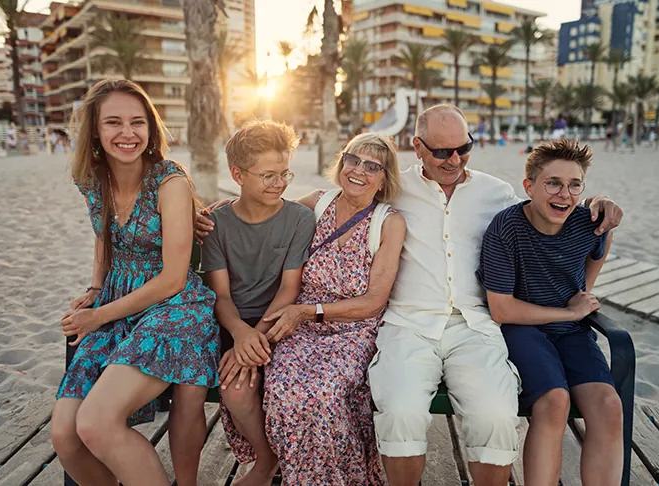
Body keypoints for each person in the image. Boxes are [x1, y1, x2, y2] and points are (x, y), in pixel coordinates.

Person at [367, 104, 623, 486]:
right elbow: (336, 201)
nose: (455, 159)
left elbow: (544, 215)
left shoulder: (496, 193)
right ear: (417, 147)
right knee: (401, 412)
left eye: (463, 148)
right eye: (442, 152)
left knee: (496, 417)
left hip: (476, 324)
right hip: (409, 323)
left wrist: (594, 205)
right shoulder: (392, 189)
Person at [50, 78, 221, 486]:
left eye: (137, 122)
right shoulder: (93, 181)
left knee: (94, 423)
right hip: (115, 305)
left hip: (173, 310)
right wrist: (95, 290)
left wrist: (97, 316)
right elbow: (103, 237)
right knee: (65, 434)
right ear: (94, 129)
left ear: (151, 129)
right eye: (113, 122)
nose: (127, 133)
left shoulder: (169, 181)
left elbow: (174, 279)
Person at [258, 133, 406, 484]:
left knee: (326, 395)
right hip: (301, 328)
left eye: (373, 167)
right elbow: (265, 213)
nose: (359, 171)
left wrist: (310, 311)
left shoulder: (388, 222)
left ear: (385, 178)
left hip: (353, 330)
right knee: (282, 391)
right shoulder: (317, 203)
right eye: (353, 160)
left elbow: (373, 302)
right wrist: (218, 210)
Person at [476, 139, 622, 485]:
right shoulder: (506, 228)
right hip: (521, 328)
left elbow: (602, 241)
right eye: (553, 183)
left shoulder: (587, 221)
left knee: (608, 405)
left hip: (571, 333)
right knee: (555, 401)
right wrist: (571, 313)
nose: (564, 195)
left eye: (575, 185)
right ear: (529, 186)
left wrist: (584, 290)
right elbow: (501, 309)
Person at [201, 120, 316, 486]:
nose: (279, 184)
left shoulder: (299, 219)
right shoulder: (216, 224)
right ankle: (266, 460)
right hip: (234, 322)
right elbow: (220, 295)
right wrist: (238, 336)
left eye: (284, 174)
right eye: (268, 176)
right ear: (238, 174)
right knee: (235, 389)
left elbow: (289, 289)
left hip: (280, 324)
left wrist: (257, 336)